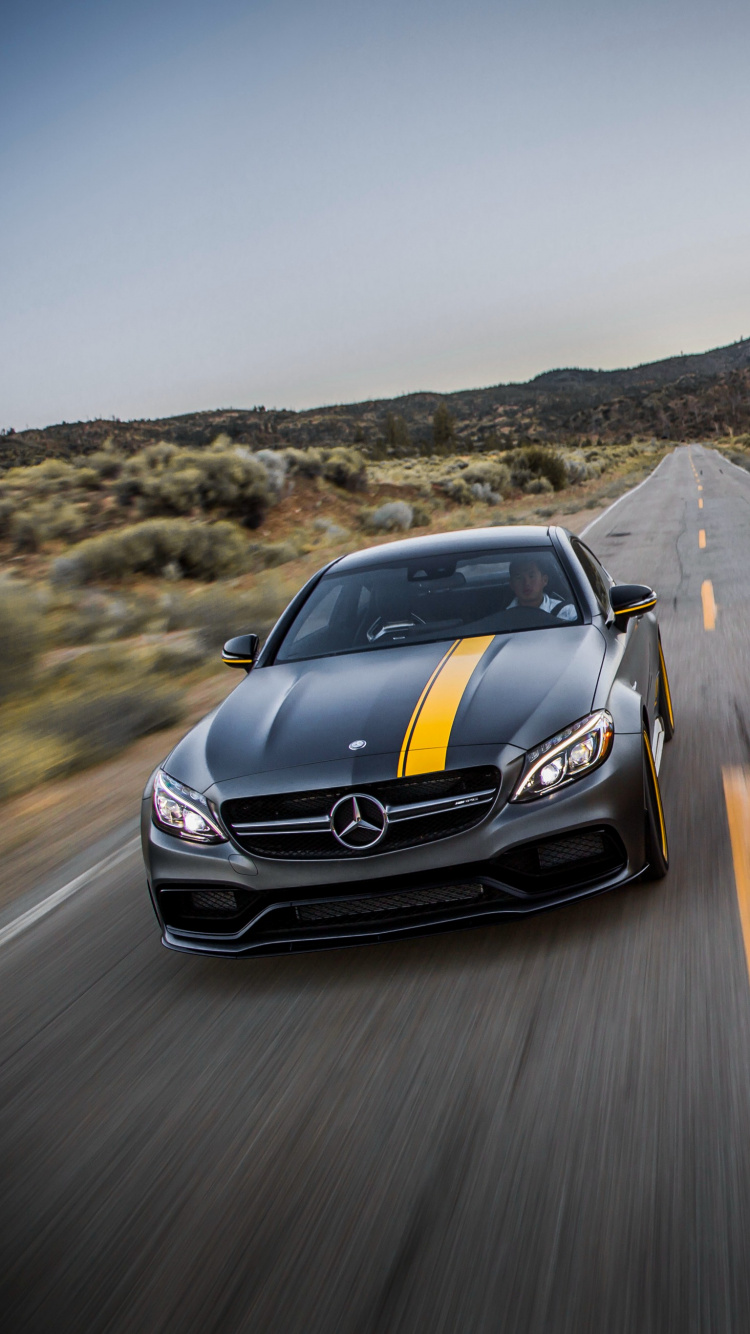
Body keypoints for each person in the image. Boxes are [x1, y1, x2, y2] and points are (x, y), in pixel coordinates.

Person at [507, 556, 577, 621]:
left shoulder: (567, 612)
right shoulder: (504, 618)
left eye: (531, 576)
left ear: (544, 580)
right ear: (512, 584)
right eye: (519, 578)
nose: (526, 583)